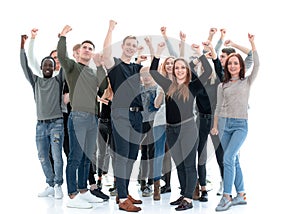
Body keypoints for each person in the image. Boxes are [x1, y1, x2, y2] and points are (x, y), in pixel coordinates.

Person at [149, 42, 212, 211]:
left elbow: (208, 71)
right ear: (173, 70)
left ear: (187, 70)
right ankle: (184, 194)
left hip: (187, 129)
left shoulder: (193, 85)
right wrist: (158, 52)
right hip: (171, 129)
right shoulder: (168, 86)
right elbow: (153, 72)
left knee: (189, 164)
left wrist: (200, 54)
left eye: (183, 68)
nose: (180, 70)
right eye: (177, 68)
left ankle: (189, 199)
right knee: (179, 164)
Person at [57, 25, 108, 209]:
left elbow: (103, 88)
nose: (87, 50)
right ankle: (72, 196)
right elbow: (62, 56)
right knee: (75, 156)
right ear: (78, 53)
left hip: (94, 117)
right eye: (84, 47)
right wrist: (62, 37)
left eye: (90, 48)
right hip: (78, 116)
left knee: (87, 157)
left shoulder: (93, 72)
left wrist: (101, 65)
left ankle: (83, 191)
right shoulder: (72, 67)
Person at [102, 20, 149, 212]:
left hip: (137, 117)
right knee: (121, 156)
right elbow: (105, 54)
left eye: (133, 46)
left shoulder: (136, 68)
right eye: (127, 45)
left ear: (136, 49)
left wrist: (154, 49)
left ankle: (125, 191)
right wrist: (110, 29)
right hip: (121, 115)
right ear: (122, 47)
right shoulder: (115, 65)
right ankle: (122, 198)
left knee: (131, 156)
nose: (130, 48)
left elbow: (153, 68)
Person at [211, 33, 259, 212]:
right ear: (226, 66)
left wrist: (250, 43)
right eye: (229, 63)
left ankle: (226, 196)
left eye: (235, 63)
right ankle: (241, 194)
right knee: (234, 160)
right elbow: (218, 107)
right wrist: (215, 126)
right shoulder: (221, 86)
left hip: (240, 125)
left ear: (240, 66)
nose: (232, 65)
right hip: (223, 124)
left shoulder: (246, 82)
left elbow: (256, 60)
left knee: (228, 158)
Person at [20, 34, 64, 199]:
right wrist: (22, 46)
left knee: (57, 155)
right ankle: (50, 184)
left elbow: (65, 63)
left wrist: (61, 41)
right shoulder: (36, 81)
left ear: (53, 68)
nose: (47, 67)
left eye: (50, 65)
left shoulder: (58, 80)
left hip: (57, 124)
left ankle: (59, 184)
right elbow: (25, 65)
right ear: (41, 67)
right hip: (40, 125)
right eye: (45, 64)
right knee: (42, 156)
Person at [152, 56, 175, 200]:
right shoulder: (160, 82)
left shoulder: (182, 82)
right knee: (159, 154)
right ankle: (156, 188)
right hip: (160, 121)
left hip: (175, 122)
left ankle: (171, 184)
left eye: (172, 63)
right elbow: (156, 104)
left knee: (176, 154)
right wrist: (161, 91)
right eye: (167, 63)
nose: (170, 65)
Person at [139, 68, 159, 197]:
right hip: (141, 123)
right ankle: (142, 180)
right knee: (143, 153)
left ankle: (151, 181)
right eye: (143, 75)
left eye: (148, 75)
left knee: (152, 152)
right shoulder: (139, 89)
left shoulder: (157, 88)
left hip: (154, 122)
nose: (146, 77)